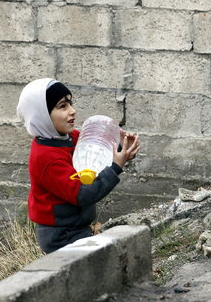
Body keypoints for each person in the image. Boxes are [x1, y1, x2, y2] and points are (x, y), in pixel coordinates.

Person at [16, 78, 140, 254]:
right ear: (41, 114)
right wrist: (115, 167)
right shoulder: (46, 157)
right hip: (61, 236)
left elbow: (96, 153)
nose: (72, 111)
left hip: (78, 228)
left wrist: (122, 147)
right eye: (62, 106)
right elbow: (83, 194)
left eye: (70, 103)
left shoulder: (70, 138)